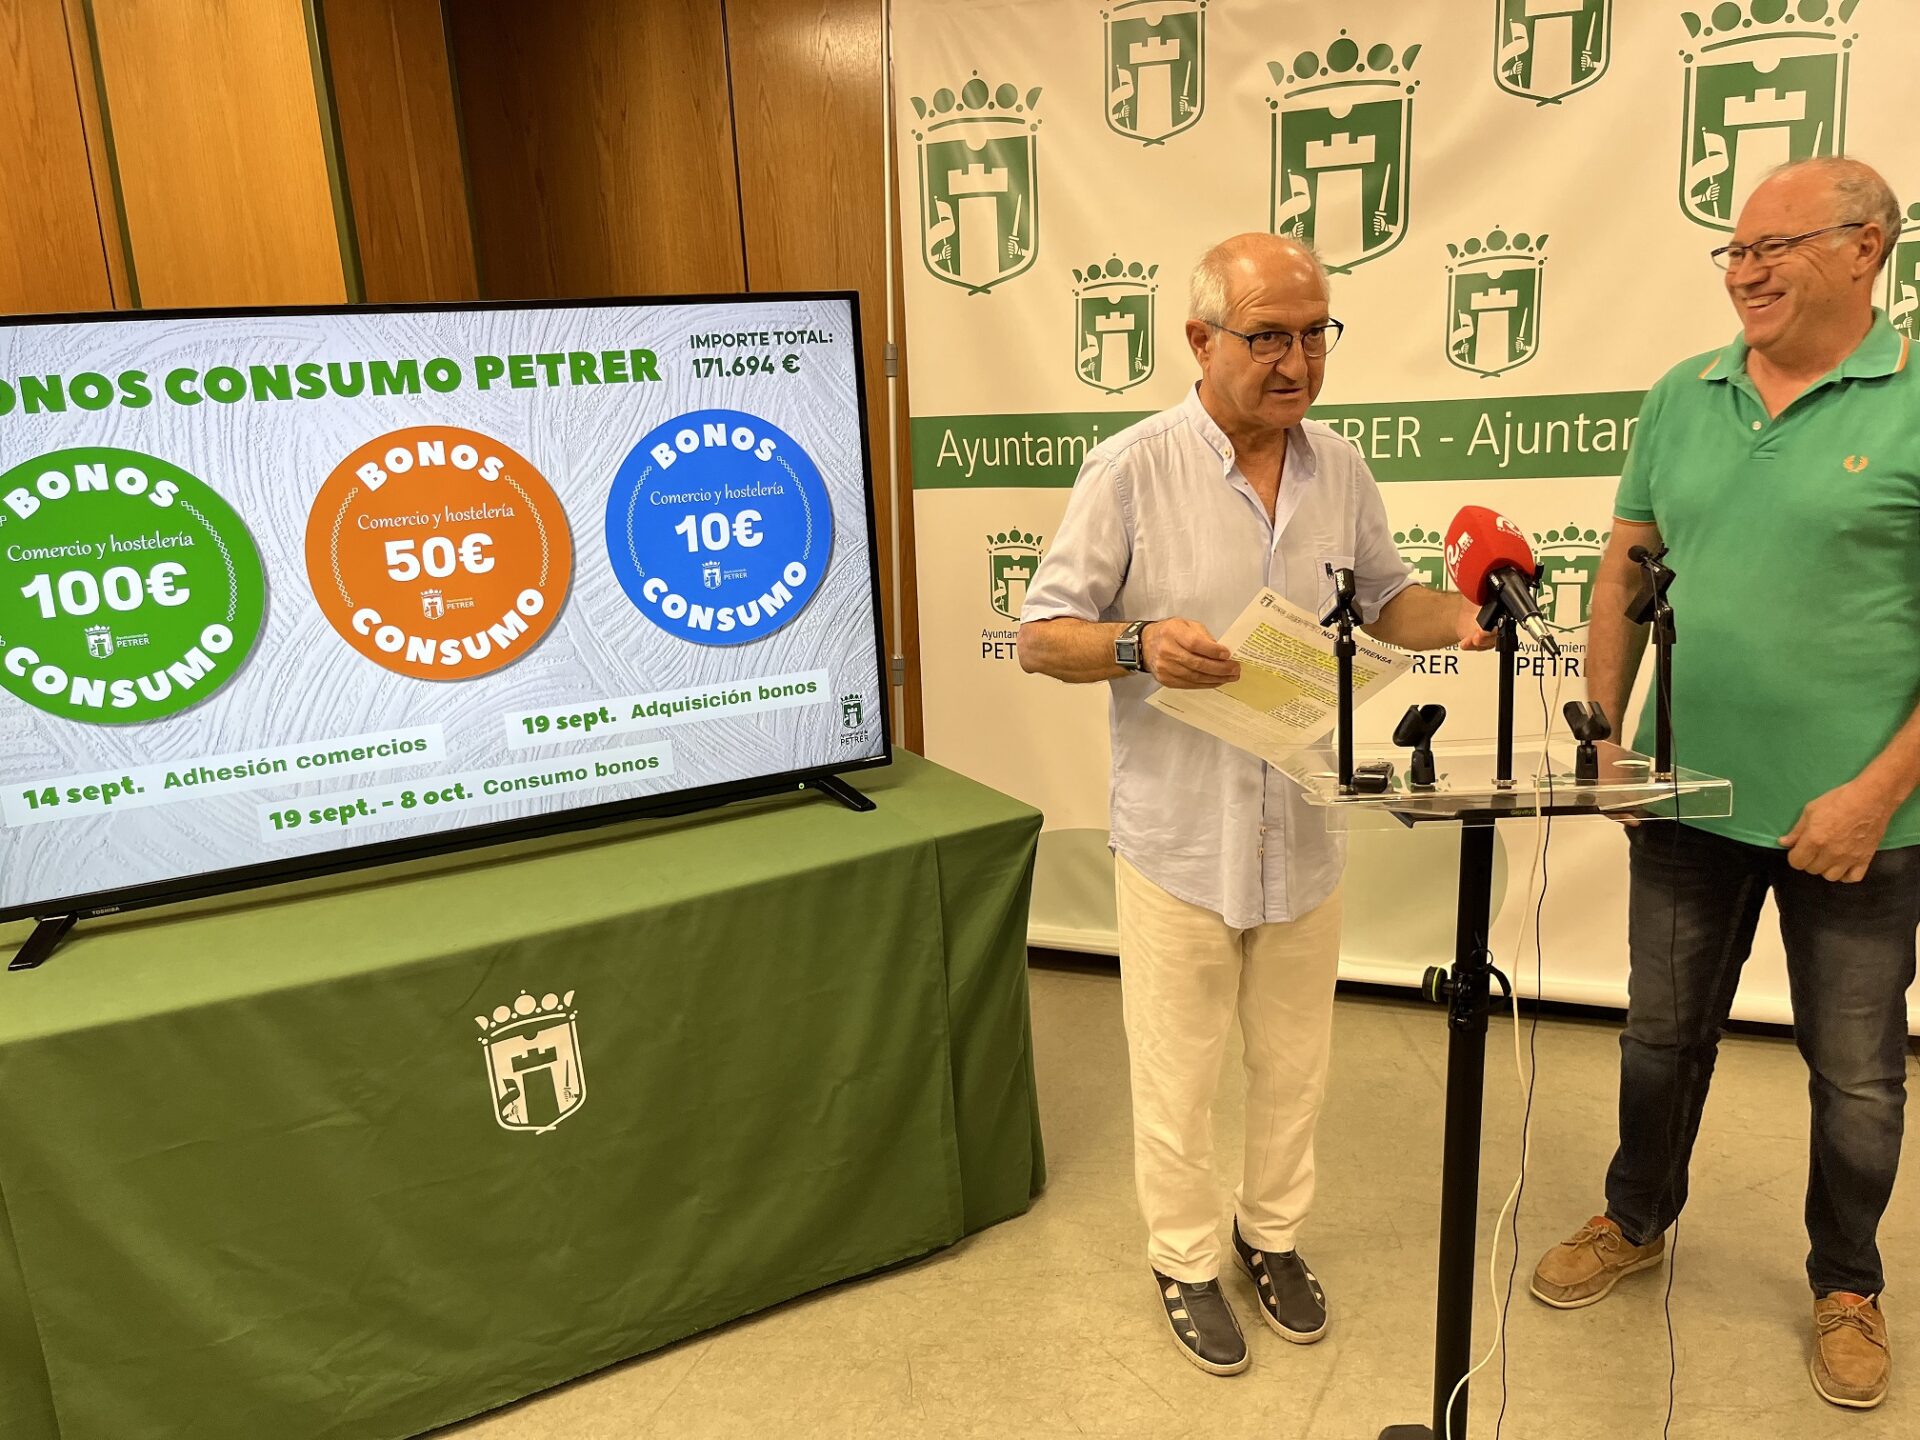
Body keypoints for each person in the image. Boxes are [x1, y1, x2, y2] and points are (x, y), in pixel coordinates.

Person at [1017, 232, 1494, 1376]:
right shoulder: (1130, 469)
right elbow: (1040, 636)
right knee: (1176, 1075)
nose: (1298, 361)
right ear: (1200, 340)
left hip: (1304, 828)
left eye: (1316, 335)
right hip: (1179, 839)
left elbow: (1387, 601)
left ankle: (1270, 1238)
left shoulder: (1342, 467)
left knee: (1295, 1069)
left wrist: (1462, 617)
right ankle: (1184, 1260)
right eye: (1269, 337)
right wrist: (1136, 644)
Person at [1530, 157, 1920, 1411]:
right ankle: (1635, 1217)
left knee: (1857, 1075)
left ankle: (1848, 1285)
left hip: (1861, 821)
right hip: (1683, 799)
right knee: (1660, 1035)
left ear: (1865, 249)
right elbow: (1624, 564)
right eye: (1735, 250)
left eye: (1774, 247)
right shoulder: (1680, 393)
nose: (1745, 271)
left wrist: (1873, 795)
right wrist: (1605, 730)